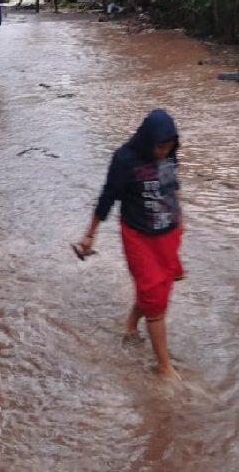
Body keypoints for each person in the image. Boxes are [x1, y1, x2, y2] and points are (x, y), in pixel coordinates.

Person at [75, 108, 184, 380]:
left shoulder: (169, 155)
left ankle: (131, 323)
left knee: (157, 288)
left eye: (168, 147)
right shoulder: (124, 159)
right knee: (154, 297)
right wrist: (90, 234)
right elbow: (107, 197)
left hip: (168, 233)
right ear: (147, 140)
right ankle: (164, 367)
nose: (163, 153)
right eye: (159, 147)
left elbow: (172, 190)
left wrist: (180, 229)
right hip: (139, 236)